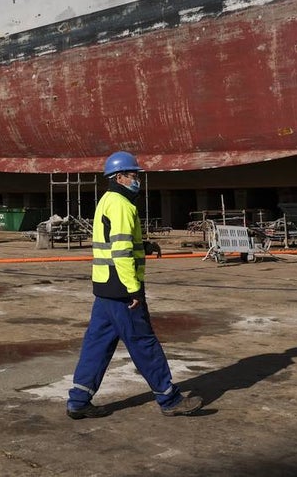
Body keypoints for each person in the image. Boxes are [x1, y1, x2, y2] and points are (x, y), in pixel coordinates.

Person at [66, 151, 203, 419]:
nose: (137, 179)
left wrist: (144, 246)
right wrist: (133, 289)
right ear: (120, 177)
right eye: (134, 175)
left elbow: (115, 242)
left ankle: (79, 400)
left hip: (105, 287)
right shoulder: (122, 205)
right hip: (121, 289)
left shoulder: (107, 200)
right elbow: (120, 251)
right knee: (143, 342)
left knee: (97, 344)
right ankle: (169, 399)